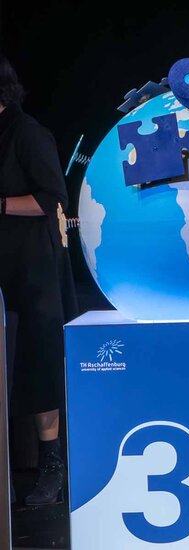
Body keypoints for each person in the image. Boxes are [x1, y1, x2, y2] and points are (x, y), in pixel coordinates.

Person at [0, 53, 75, 506]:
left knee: (38, 368)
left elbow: (53, 199)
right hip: (4, 270)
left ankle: (53, 467)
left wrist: (0, 205)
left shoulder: (28, 133)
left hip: (33, 271)